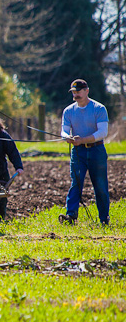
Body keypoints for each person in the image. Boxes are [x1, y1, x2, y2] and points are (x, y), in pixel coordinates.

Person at [59, 79, 110, 225]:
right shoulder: (68, 111)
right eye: (74, 92)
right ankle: (71, 216)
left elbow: (102, 132)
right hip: (78, 152)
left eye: (78, 92)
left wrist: (84, 140)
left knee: (100, 185)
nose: (76, 95)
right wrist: (67, 137)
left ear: (87, 91)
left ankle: (104, 218)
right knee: (76, 183)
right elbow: (64, 130)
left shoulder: (99, 108)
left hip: (97, 151)